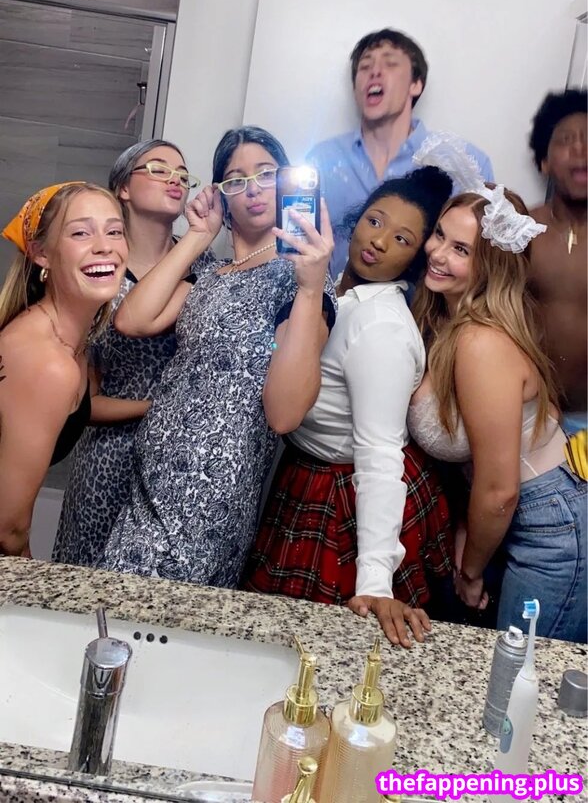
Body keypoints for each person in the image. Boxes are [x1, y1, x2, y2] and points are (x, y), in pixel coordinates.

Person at [102, 126, 337, 587]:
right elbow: (132, 320)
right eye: (235, 180)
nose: (252, 189)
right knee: (111, 613)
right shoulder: (211, 272)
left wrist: (310, 288)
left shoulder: (299, 278)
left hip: (209, 497)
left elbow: (285, 413)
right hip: (148, 480)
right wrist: (198, 236)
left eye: (266, 174)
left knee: (149, 617)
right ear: (221, 195)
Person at [244, 168, 454, 647]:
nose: (378, 241)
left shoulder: (381, 327)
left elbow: (380, 454)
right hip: (306, 472)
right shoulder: (336, 286)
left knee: (320, 649)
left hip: (340, 494)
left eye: (401, 239)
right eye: (375, 221)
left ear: (415, 260)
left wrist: (376, 581)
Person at [407, 139, 587, 641]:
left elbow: (501, 490)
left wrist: (470, 572)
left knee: (519, 677)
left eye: (461, 250)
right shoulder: (446, 321)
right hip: (517, 517)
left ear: (491, 266)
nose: (437, 253)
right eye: (439, 235)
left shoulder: (480, 342)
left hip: (551, 530)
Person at [53, 140, 200, 567]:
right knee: (84, 582)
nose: (175, 179)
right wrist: (157, 407)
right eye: (158, 169)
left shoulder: (205, 267)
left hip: (178, 462)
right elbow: (83, 403)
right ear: (123, 188)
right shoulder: (98, 271)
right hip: (108, 459)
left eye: (182, 173)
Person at [0, 182, 127, 557]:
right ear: (42, 253)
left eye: (115, 231)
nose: (104, 246)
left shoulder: (70, 342)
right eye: (81, 233)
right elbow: (7, 528)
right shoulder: (50, 362)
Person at [306, 28, 494, 276]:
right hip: (329, 299)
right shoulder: (321, 159)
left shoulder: (465, 163)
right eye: (365, 66)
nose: (374, 71)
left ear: (416, 84)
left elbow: (481, 261)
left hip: (421, 302)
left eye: (390, 63)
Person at [527, 89, 587, 436]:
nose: (580, 148)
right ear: (544, 162)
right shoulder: (523, 231)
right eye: (566, 140)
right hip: (529, 416)